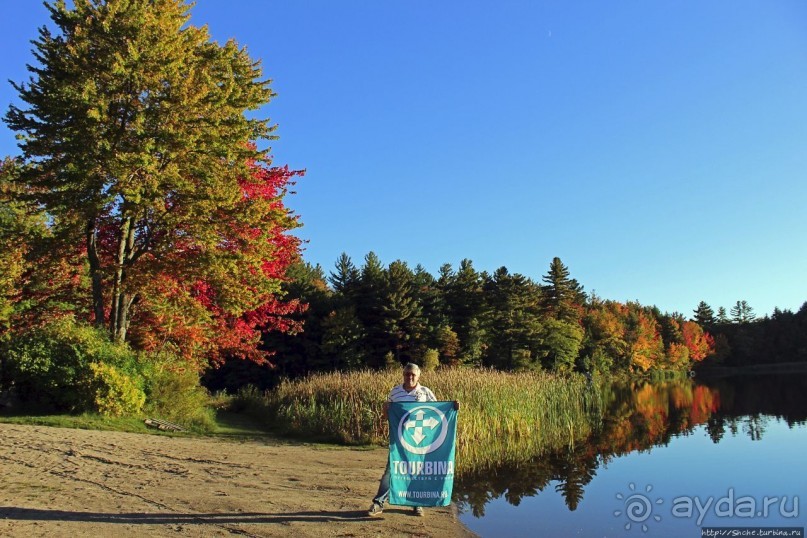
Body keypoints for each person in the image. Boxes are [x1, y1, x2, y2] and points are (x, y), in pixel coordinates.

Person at [368, 362, 458, 518]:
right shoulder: (395, 392)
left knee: (418, 471)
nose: (409, 377)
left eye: (413, 374)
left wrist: (452, 407)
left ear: (418, 376)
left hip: (420, 441)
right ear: (403, 375)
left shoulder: (425, 392)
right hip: (400, 441)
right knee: (391, 471)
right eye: (407, 374)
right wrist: (384, 409)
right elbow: (388, 416)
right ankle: (378, 503)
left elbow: (437, 413)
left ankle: (417, 505)